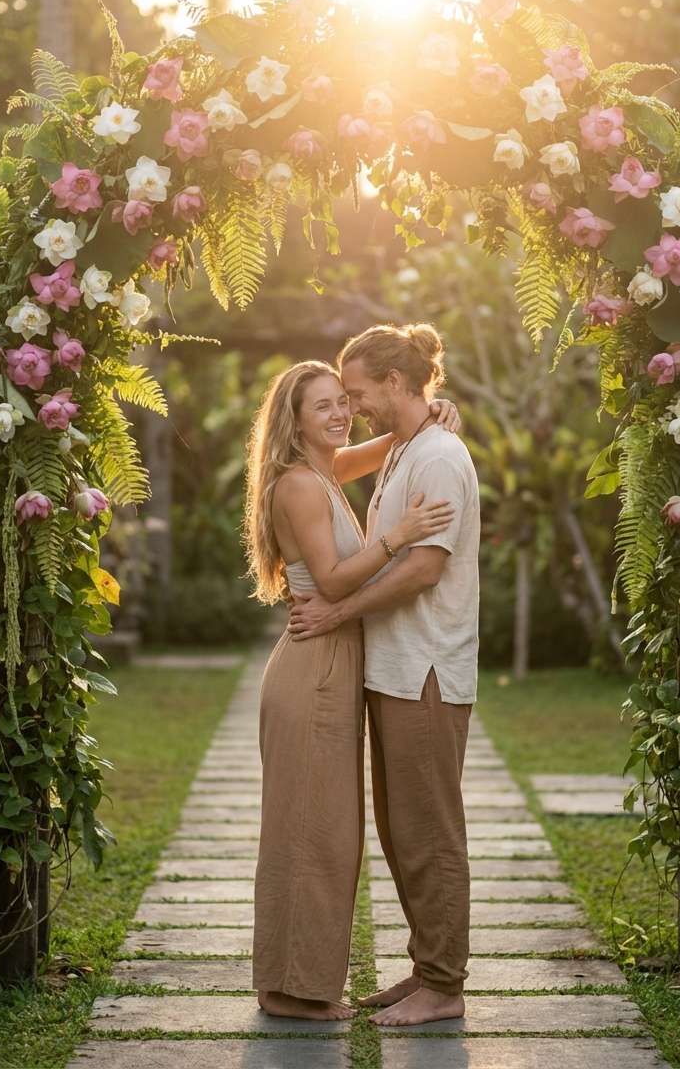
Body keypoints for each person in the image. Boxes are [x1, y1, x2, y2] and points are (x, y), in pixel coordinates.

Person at [243, 358, 460, 1021]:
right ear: (295, 420)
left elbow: (384, 442)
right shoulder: (302, 486)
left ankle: (294, 982)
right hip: (314, 670)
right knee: (313, 831)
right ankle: (295, 992)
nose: (341, 414)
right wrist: (397, 536)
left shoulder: (322, 470)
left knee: (323, 829)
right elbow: (334, 582)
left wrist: (431, 415)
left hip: (330, 664)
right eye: (324, 407)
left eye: (344, 401)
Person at [289, 323, 480, 1027]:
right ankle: (427, 969)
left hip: (427, 670)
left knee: (429, 832)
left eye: (361, 392)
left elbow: (424, 569)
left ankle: (445, 985)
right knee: (404, 832)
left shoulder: (437, 458)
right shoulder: (406, 449)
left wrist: (336, 615)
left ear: (396, 383)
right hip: (397, 670)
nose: (354, 405)